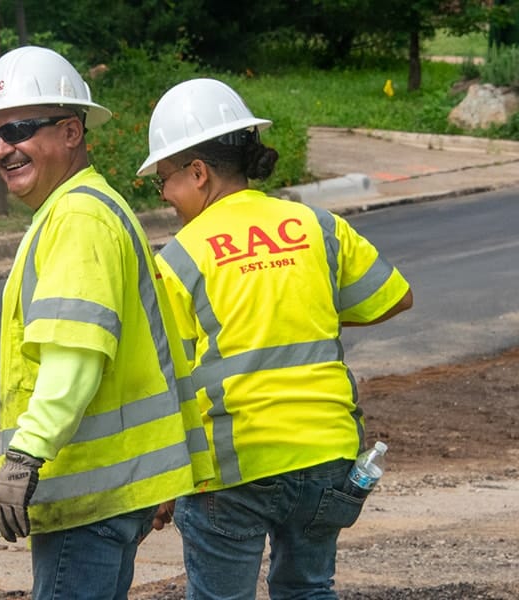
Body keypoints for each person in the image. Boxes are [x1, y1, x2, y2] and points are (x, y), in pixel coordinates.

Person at [137, 78, 413, 600]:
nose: (166, 196)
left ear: (198, 172)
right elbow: (395, 297)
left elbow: (165, 376)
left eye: (165, 180)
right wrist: (301, 313)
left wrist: (162, 481)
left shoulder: (179, 257)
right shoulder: (317, 224)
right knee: (308, 590)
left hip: (236, 465)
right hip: (329, 455)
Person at [0, 47, 213, 600]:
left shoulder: (78, 216)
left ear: (72, 131)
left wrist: (24, 456)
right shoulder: (87, 207)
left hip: (89, 491)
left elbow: (75, 355)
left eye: (22, 129)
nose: (5, 148)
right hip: (105, 490)